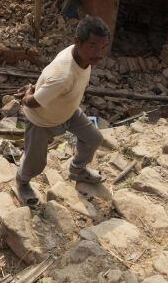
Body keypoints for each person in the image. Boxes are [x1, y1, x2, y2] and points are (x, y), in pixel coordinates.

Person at [14, 15, 111, 205]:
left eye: (103, 47)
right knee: (36, 163)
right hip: (41, 120)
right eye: (93, 46)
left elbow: (50, 83)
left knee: (94, 138)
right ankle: (22, 181)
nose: (99, 53)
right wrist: (27, 94)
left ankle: (77, 170)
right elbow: (33, 103)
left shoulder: (83, 58)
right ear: (77, 42)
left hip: (68, 112)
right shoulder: (63, 75)